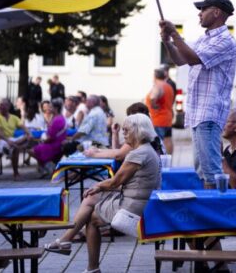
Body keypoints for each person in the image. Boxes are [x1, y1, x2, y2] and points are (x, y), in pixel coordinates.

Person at [45, 113, 161, 273]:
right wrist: (99, 188)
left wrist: (98, 185)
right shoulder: (147, 150)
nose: (123, 133)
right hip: (141, 203)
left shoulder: (138, 153)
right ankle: (67, 241)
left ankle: (87, 262)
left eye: (126, 130)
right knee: (91, 197)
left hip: (132, 209)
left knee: (91, 218)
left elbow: (115, 181)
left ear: (138, 131)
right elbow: (123, 183)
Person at [160, 0, 236, 188]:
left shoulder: (226, 41)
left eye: (203, 9)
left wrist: (176, 35)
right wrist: (168, 41)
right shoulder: (204, 39)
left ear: (217, 12)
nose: (199, 14)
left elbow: (194, 59)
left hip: (209, 112)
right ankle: (211, 210)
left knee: (211, 171)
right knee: (202, 170)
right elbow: (180, 59)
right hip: (198, 112)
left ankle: (217, 213)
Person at [0, 98, 31, 180]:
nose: (0, 106)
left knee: (27, 138)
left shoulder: (14, 117)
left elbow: (23, 126)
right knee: (16, 147)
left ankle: (11, 148)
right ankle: (16, 174)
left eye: (2, 105)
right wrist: (8, 141)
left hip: (11, 140)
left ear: (8, 107)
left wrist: (28, 133)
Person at [29, 98, 67, 177]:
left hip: (54, 145)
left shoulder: (57, 120)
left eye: (51, 107)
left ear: (56, 108)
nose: (49, 108)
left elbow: (51, 137)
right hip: (57, 143)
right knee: (37, 147)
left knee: (32, 151)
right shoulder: (60, 117)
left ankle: (47, 165)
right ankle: (45, 167)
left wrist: (44, 141)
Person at [146, 67, 175, 154]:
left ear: (155, 77)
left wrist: (153, 105)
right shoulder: (168, 86)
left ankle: (158, 161)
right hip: (168, 118)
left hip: (158, 120)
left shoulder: (158, 86)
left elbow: (153, 97)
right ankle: (168, 160)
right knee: (168, 140)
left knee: (157, 143)